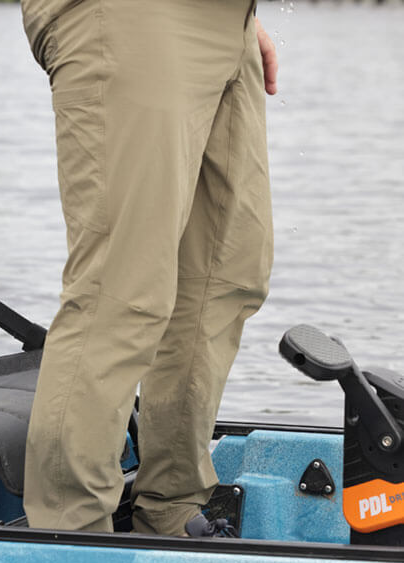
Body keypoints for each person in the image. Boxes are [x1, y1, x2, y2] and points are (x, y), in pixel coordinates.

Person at [19, 0, 280, 535]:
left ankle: (170, 506)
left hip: (225, 23)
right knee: (123, 288)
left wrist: (237, 22)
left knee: (225, 275)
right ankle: (69, 537)